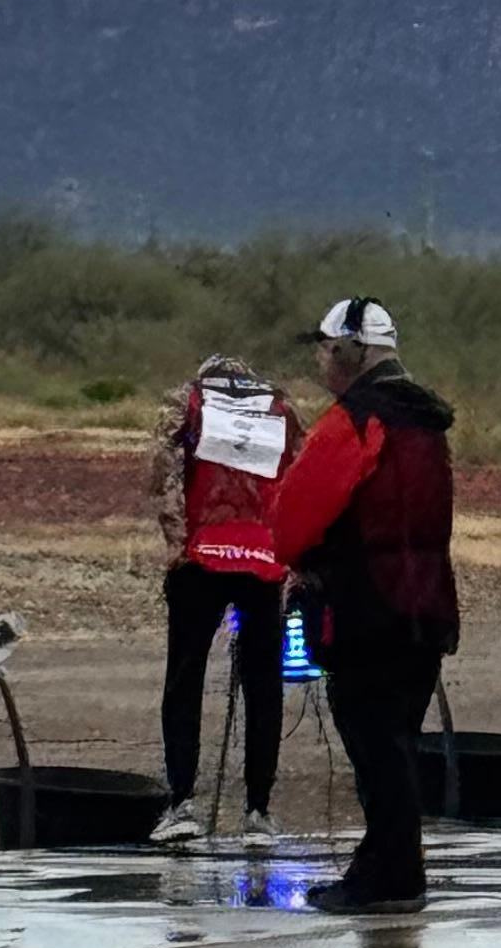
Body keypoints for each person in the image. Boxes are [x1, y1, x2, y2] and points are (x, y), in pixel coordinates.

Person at [271, 293, 459, 913]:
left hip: (366, 607)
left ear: (350, 352)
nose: (323, 362)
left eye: (327, 349)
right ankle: (380, 865)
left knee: (377, 747)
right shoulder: (427, 422)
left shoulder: (353, 421)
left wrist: (305, 563)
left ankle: (394, 878)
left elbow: (292, 522)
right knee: (396, 741)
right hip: (425, 604)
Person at [146, 351, 295, 846]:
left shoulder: (186, 401)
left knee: (184, 679)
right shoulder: (280, 406)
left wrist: (176, 546)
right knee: (263, 683)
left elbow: (163, 477)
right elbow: (299, 475)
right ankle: (258, 809)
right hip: (265, 560)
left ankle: (181, 801)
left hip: (199, 558)